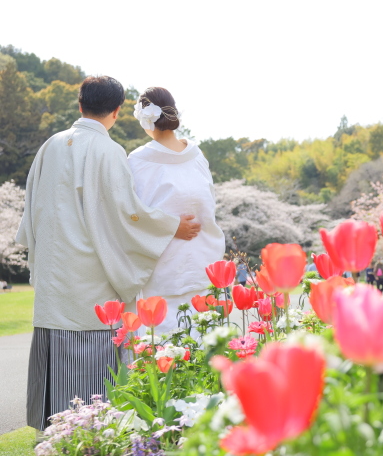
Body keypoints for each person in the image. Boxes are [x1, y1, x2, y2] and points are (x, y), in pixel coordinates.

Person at [15, 76, 201, 433]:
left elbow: (31, 210)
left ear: (80, 104)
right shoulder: (107, 150)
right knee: (94, 392)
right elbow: (124, 212)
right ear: (116, 111)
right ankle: (88, 434)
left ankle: (55, 436)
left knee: (58, 376)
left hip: (55, 279)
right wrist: (170, 225)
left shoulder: (50, 145)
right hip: (90, 280)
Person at [127, 87, 226, 334]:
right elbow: (209, 205)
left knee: (164, 349)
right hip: (204, 262)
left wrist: (168, 226)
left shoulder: (138, 161)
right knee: (204, 341)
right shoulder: (197, 156)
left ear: (145, 118)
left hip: (163, 269)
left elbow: (132, 215)